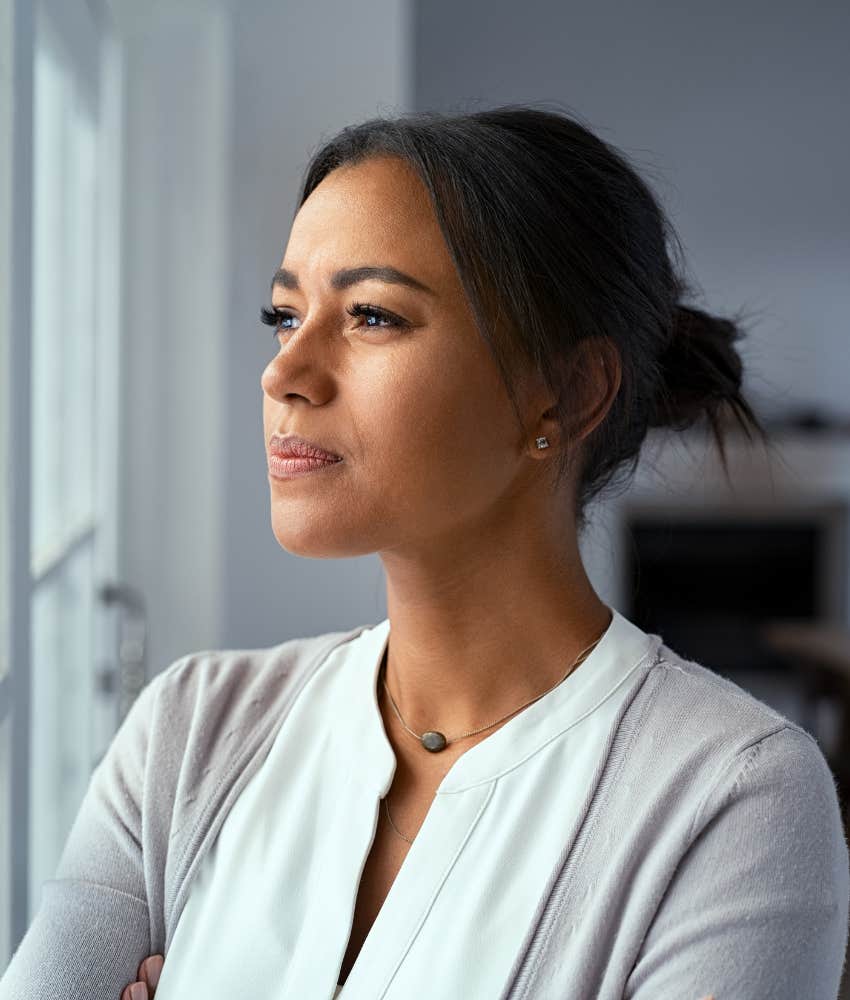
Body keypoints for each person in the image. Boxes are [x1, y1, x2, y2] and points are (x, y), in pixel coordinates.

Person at [3, 105, 848, 1000]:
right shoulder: (188, 733)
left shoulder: (735, 802)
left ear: (565, 392)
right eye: (285, 315)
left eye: (370, 315)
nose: (284, 372)